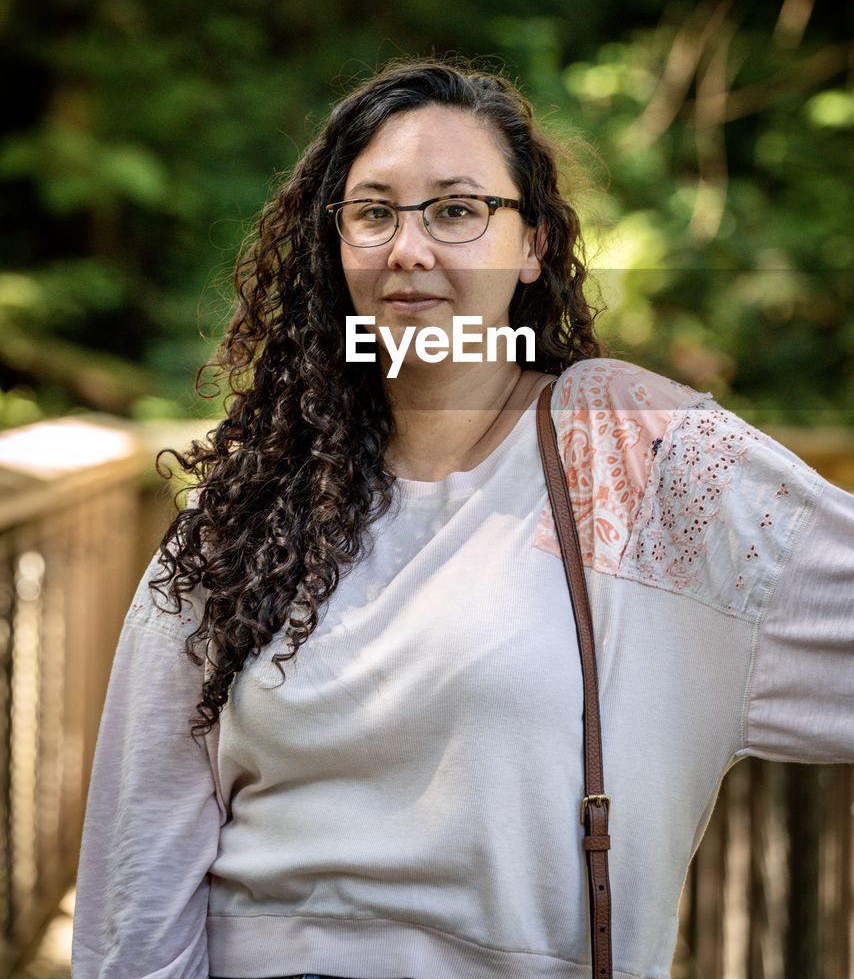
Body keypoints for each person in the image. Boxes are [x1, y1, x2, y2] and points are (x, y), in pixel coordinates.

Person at [71, 57, 854, 979]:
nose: (410, 249)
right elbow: (146, 835)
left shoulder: (623, 452)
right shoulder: (253, 494)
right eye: (374, 212)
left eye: (456, 210)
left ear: (531, 245)